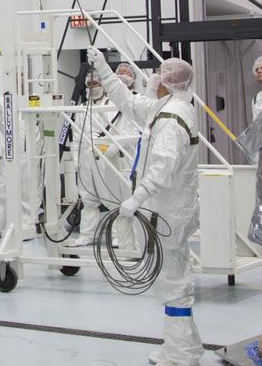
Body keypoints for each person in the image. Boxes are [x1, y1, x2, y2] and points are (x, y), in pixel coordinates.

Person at [89, 47, 203, 366]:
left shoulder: (171, 118)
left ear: (167, 81)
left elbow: (163, 167)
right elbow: (127, 101)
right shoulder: (164, 108)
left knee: (174, 283)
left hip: (168, 211)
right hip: (169, 209)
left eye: (159, 73)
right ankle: (182, 346)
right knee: (172, 282)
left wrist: (137, 198)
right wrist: (103, 68)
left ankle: (181, 355)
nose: (153, 76)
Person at [64, 67, 140, 248]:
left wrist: (108, 150)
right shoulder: (82, 108)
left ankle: (117, 236)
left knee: (112, 198)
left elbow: (118, 133)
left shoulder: (112, 106)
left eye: (96, 83)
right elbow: (76, 135)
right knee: (88, 198)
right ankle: (86, 235)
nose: (92, 87)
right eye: (89, 84)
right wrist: (76, 158)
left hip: (104, 158)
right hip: (85, 158)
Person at [0, 101, 43, 242]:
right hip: (10, 144)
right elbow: (1, 124)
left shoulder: (32, 97)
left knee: (28, 185)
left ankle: (27, 225)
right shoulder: (2, 101)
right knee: (2, 186)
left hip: (29, 144)